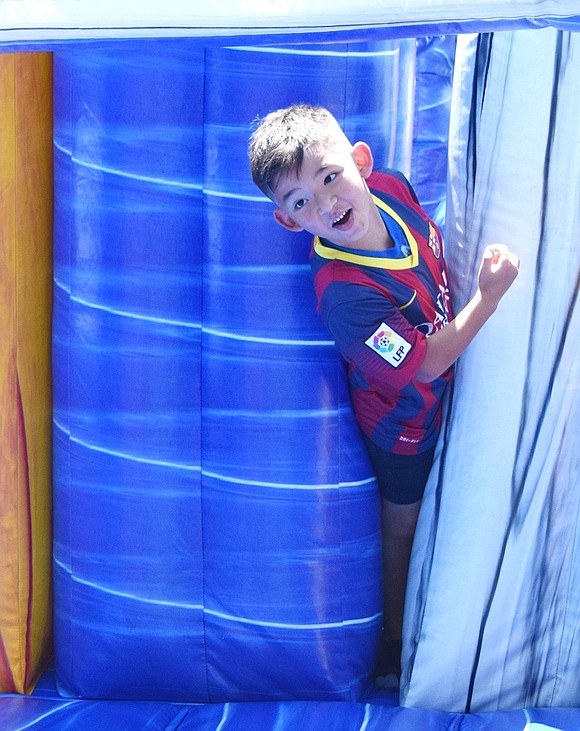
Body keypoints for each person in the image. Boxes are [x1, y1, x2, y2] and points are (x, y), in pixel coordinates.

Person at [248, 104, 519, 690]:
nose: (324, 203)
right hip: (403, 423)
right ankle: (392, 640)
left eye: (328, 176)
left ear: (361, 163)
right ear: (289, 223)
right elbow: (425, 363)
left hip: (451, 374)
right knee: (403, 523)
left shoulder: (393, 190)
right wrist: (490, 298)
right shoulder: (344, 294)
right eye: (300, 202)